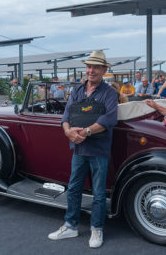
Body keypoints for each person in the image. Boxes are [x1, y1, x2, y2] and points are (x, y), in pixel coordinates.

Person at [48, 50, 118, 248]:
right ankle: (70, 225)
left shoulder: (109, 92)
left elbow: (109, 119)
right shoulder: (77, 90)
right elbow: (66, 116)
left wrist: (85, 132)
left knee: (98, 192)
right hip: (78, 148)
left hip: (98, 149)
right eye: (89, 66)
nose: (91, 70)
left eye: (96, 67)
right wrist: (68, 132)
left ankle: (97, 229)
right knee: (73, 189)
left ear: (104, 70)